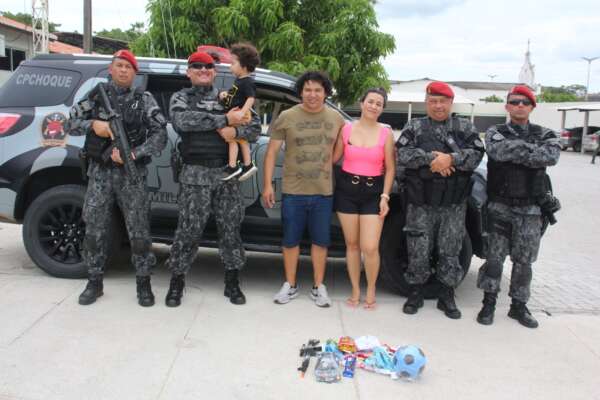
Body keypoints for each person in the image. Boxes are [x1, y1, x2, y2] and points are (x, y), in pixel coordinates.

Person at [67, 50, 167, 306]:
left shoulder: (144, 99)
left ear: (135, 73)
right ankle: (94, 281)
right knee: (94, 228)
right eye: (119, 65)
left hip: (131, 176)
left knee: (140, 232)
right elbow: (70, 123)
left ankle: (143, 283)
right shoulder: (97, 96)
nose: (123, 70)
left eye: (129, 67)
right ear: (111, 69)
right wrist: (94, 126)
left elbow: (160, 136)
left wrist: (134, 154)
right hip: (100, 173)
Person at [164, 51, 261, 307]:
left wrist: (234, 130)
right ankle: (177, 281)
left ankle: (232, 281)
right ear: (189, 72)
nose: (203, 71)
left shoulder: (229, 97)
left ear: (215, 72)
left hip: (226, 174)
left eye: (208, 67)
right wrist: (223, 119)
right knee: (188, 230)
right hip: (194, 173)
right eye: (197, 67)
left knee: (230, 230)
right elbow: (182, 122)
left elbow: (254, 128)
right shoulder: (181, 97)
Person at [397, 81, 484, 319]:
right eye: (433, 101)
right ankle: (415, 292)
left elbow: (476, 155)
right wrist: (433, 159)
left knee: (450, 249)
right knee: (417, 248)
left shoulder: (464, 127)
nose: (438, 106)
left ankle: (447, 295)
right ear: (426, 102)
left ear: (450, 103)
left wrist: (452, 159)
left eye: (442, 101)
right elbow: (402, 153)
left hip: (453, 205)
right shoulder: (414, 126)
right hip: (420, 202)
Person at [476, 85, 560, 328]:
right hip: (499, 207)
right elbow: (497, 151)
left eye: (524, 102)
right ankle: (488, 304)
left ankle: (518, 307)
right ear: (507, 106)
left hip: (531, 210)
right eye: (514, 102)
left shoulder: (546, 133)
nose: (519, 106)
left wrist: (516, 149)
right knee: (494, 259)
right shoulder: (495, 131)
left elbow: (550, 156)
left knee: (524, 262)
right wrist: (531, 152)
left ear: (532, 106)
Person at [262, 71, 345, 307]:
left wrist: (328, 162)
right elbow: (270, 153)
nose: (312, 94)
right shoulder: (287, 117)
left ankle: (319, 287)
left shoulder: (336, 118)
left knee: (321, 241)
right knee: (290, 240)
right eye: (308, 89)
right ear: (300, 92)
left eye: (318, 90)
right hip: (293, 190)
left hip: (323, 191)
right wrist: (267, 185)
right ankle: (290, 284)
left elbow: (341, 147)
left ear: (326, 93)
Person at [331, 87, 395, 310]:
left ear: (382, 108)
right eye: (370, 101)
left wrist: (385, 196)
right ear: (362, 103)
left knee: (369, 247)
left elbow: (390, 169)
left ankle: (371, 289)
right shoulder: (346, 130)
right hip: (346, 191)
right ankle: (355, 290)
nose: (374, 106)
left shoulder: (387, 134)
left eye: (379, 103)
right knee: (352, 244)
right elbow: (333, 158)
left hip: (373, 193)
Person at [219, 43, 261, 181]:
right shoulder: (239, 81)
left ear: (243, 65)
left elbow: (250, 98)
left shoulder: (247, 81)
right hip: (236, 114)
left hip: (239, 115)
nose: (230, 66)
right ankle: (245, 165)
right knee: (239, 140)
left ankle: (234, 166)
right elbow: (235, 95)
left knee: (234, 139)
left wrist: (242, 112)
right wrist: (225, 94)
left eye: (232, 63)